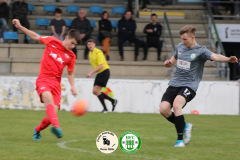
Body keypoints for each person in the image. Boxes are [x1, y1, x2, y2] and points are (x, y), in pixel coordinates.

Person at [159, 25, 238, 147]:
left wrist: (228, 59)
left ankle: (180, 140)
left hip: (189, 85)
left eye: (185, 39)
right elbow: (175, 57)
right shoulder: (181, 46)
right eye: (182, 39)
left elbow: (215, 56)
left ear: (192, 37)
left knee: (176, 105)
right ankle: (185, 126)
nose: (182, 42)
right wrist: (169, 63)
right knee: (163, 110)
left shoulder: (201, 51)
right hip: (175, 83)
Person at [12, 19, 81, 140]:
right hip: (44, 79)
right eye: (72, 43)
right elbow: (35, 36)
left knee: (50, 116)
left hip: (56, 84)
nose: (73, 46)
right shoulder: (52, 41)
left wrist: (73, 87)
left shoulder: (71, 56)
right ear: (66, 38)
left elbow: (70, 73)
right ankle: (57, 127)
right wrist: (20, 26)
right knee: (48, 98)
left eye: (75, 45)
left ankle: (37, 130)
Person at [86, 39, 118, 113]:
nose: (90, 45)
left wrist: (91, 73)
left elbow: (101, 66)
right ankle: (113, 101)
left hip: (104, 72)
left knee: (96, 91)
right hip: (100, 73)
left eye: (91, 44)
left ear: (94, 45)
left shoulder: (98, 52)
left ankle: (105, 109)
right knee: (95, 91)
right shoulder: (90, 53)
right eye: (88, 44)